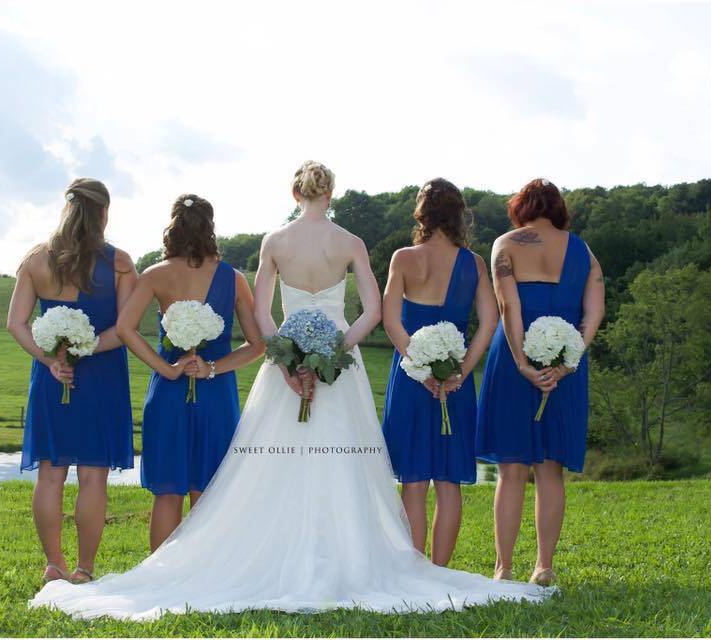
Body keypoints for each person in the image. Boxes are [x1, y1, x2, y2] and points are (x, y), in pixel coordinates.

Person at [30, 162, 552, 620]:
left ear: (295, 194)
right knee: (342, 465)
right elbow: (371, 311)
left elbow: (260, 313)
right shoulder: (350, 242)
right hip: (336, 372)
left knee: (269, 466)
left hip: (283, 374)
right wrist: (338, 349)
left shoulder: (275, 242)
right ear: (330, 194)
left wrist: (287, 359)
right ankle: (371, 560)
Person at [115, 193, 265, 552]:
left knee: (167, 491)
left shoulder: (156, 275)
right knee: (208, 489)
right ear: (210, 228)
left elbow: (124, 328)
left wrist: (167, 369)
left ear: (173, 228)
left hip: (168, 392)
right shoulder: (233, 278)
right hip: (216, 394)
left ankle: (161, 576)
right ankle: (201, 577)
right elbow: (257, 345)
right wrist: (212, 368)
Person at [475, 178, 605, 586]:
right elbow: (595, 313)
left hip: (513, 362)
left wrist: (521, 363)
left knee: (511, 469)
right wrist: (569, 362)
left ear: (521, 208)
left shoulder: (506, 244)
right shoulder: (584, 251)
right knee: (550, 470)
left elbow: (508, 305)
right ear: (558, 209)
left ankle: (504, 568)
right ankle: (544, 566)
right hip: (565, 366)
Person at [7, 178, 137, 585]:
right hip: (101, 378)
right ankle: (83, 569)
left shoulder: (37, 261)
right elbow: (125, 329)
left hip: (52, 378)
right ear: (104, 212)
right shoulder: (119, 262)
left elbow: (16, 323)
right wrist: (87, 349)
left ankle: (53, 565)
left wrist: (51, 361)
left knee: (51, 473)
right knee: (93, 475)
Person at [381, 178, 497, 566]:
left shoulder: (403, 258)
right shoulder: (474, 264)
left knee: (412, 483)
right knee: (448, 483)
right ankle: (440, 572)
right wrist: (461, 371)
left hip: (411, 382)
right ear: (459, 214)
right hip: (456, 384)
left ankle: (414, 571)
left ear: (422, 214)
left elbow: (390, 320)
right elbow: (489, 321)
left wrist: (417, 365)